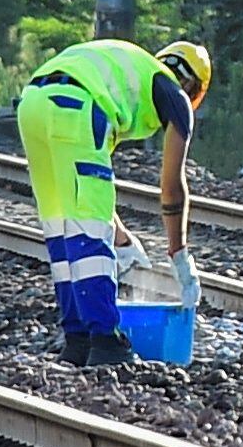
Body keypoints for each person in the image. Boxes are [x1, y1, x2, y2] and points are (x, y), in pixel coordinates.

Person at [15, 37, 209, 366]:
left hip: (32, 103)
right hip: (76, 106)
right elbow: (172, 187)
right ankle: (106, 341)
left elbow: (90, 189)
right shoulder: (173, 94)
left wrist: (123, 240)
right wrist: (180, 256)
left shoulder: (127, 73)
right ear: (193, 87)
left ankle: (77, 340)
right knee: (89, 231)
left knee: (61, 224)